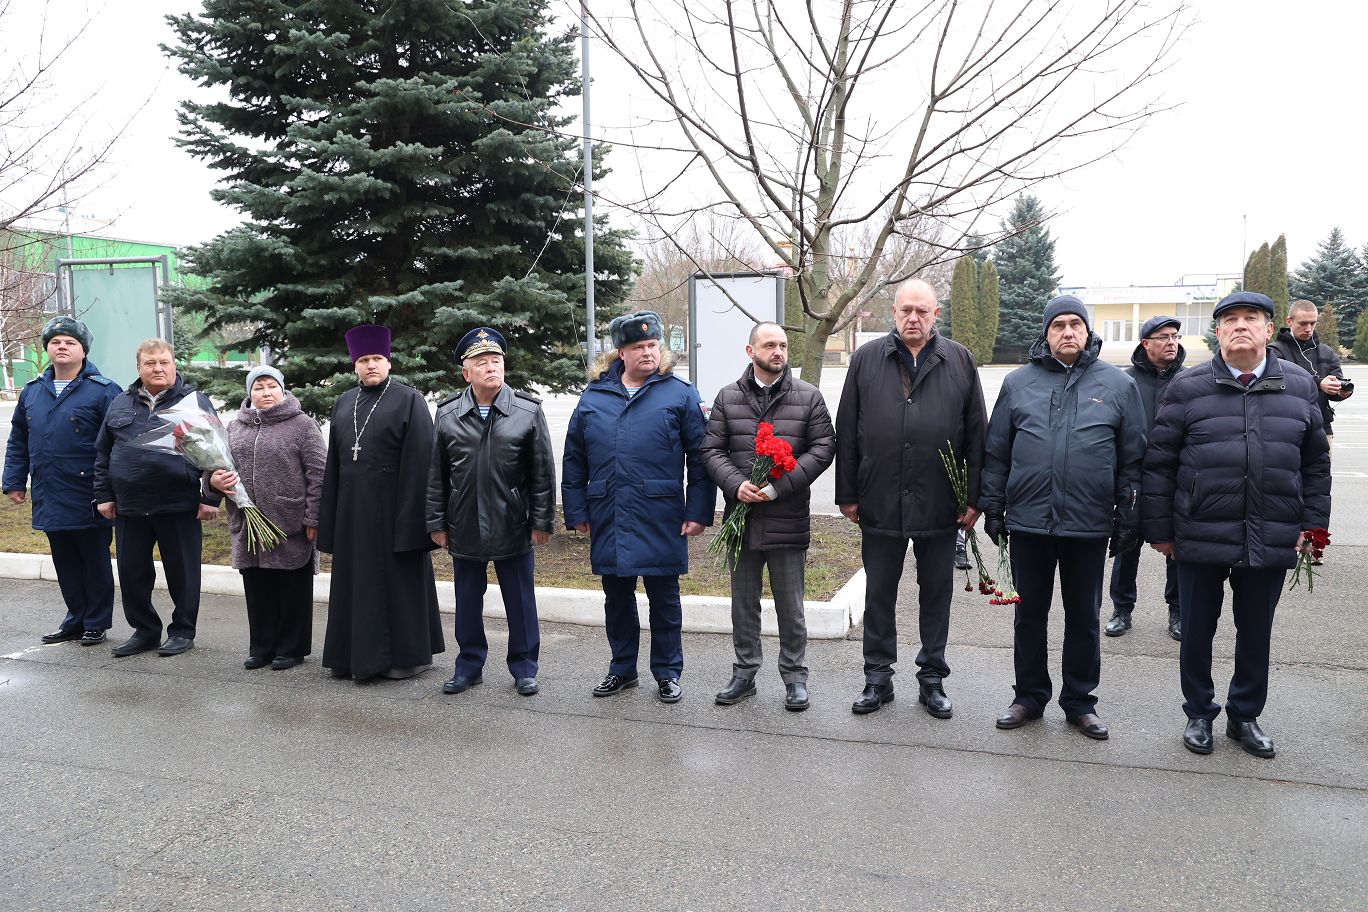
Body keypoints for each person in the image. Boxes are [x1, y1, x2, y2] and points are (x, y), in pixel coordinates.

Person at [1142, 291, 1330, 759]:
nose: (1240, 325)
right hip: (1200, 531)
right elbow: (1160, 464)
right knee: (1196, 630)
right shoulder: (1187, 387)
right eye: (1230, 320)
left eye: (1251, 318)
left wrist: (1314, 526)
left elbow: (1315, 465)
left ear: (1268, 330)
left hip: (1272, 530)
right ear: (1218, 332)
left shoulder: (1299, 385)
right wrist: (1160, 530)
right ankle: (1199, 713)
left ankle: (1244, 715)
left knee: (1255, 632)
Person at [980, 295, 1146, 740]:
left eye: (1076, 324)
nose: (1068, 331)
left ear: (1088, 332)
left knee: (1084, 617)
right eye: (1058, 325)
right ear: (1047, 332)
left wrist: (1130, 517)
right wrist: (993, 506)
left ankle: (1080, 702)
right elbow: (997, 453)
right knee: (1029, 616)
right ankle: (1029, 697)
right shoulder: (1018, 383)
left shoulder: (1118, 385)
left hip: (1088, 524)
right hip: (1029, 522)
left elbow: (1133, 460)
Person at [835, 278, 987, 718]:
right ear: (895, 313)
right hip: (879, 498)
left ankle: (932, 679)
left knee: (936, 594)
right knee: (879, 593)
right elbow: (848, 428)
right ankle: (877, 678)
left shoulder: (959, 360)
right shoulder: (867, 359)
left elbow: (977, 434)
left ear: (936, 314)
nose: (913, 318)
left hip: (940, 502)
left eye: (922, 311)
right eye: (906, 310)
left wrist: (973, 498)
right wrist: (848, 494)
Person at [562, 310, 716, 704]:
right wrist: (577, 511)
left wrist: (699, 511)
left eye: (652, 345)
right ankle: (622, 669)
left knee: (664, 599)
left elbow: (701, 458)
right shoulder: (594, 396)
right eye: (638, 347)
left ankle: (667, 673)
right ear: (621, 353)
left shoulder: (680, 393)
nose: (647, 352)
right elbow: (575, 458)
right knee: (616, 599)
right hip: (609, 513)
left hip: (660, 514)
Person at [701, 321, 835, 712]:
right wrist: (735, 484)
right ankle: (744, 674)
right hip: (741, 521)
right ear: (751, 351)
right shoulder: (728, 397)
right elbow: (711, 450)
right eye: (770, 345)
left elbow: (823, 448)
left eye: (783, 346)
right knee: (743, 604)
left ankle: (795, 677)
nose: (778, 352)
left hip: (786, 517)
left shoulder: (808, 397)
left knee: (791, 606)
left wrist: (778, 487)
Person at [427, 327, 556, 697]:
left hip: (512, 522)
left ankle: (525, 668)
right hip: (464, 522)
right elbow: (436, 474)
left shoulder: (527, 411)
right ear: (466, 373)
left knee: (520, 600)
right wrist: (437, 522)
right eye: (481, 362)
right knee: (467, 602)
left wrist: (541, 521)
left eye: (496, 360)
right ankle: (469, 666)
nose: (491, 367)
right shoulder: (448, 413)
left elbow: (542, 472)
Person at [317, 324, 444, 680]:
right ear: (355, 365)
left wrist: (414, 522)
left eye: (376, 358)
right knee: (356, 585)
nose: (370, 365)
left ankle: (405, 658)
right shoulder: (344, 402)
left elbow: (421, 463)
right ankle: (351, 657)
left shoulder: (409, 400)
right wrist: (331, 520)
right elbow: (334, 465)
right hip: (353, 514)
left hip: (395, 511)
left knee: (398, 585)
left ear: (388, 362)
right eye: (363, 360)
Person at [94, 339, 222, 657]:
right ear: (139, 367)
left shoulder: (194, 402)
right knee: (132, 574)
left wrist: (211, 498)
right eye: (150, 363)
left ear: (174, 365)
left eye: (164, 362)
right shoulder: (120, 403)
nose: (158, 368)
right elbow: (103, 453)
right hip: (130, 506)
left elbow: (217, 454)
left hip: (177, 504)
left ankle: (183, 631)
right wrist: (104, 495)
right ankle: (145, 631)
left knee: (183, 574)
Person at [4, 317, 120, 646]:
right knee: (65, 560)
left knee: (94, 559)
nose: (62, 347)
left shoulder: (103, 390)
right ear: (47, 349)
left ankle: (96, 621)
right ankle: (76, 618)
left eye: (70, 342)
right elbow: (19, 439)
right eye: (55, 342)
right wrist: (14, 480)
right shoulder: (33, 392)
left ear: (84, 350)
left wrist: (114, 490)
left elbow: (118, 443)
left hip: (89, 491)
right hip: (49, 490)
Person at [208, 366, 326, 671]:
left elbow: (319, 474)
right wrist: (213, 482)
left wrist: (314, 518)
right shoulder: (235, 427)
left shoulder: (303, 425)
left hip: (290, 522)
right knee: (257, 588)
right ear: (250, 394)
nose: (266, 393)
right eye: (258, 387)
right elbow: (216, 468)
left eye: (272, 386)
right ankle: (261, 647)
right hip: (248, 524)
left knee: (291, 588)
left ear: (282, 390)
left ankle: (291, 648)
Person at [1105, 315, 1186, 641]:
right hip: (1135, 478)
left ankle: (1177, 611)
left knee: (1177, 548)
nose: (1171, 342)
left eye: (1175, 336)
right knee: (1127, 545)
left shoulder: (1188, 380)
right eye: (1163, 337)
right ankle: (1121, 609)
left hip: (1176, 479)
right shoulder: (1125, 382)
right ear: (1145, 343)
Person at [1271, 299, 1353, 445]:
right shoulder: (1274, 351)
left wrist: (1340, 392)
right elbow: (1281, 382)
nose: (1308, 329)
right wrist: (1319, 384)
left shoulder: (1327, 352)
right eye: (1303, 323)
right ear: (1289, 321)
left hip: (1322, 427)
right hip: (1285, 428)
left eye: (1312, 323)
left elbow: (1334, 388)